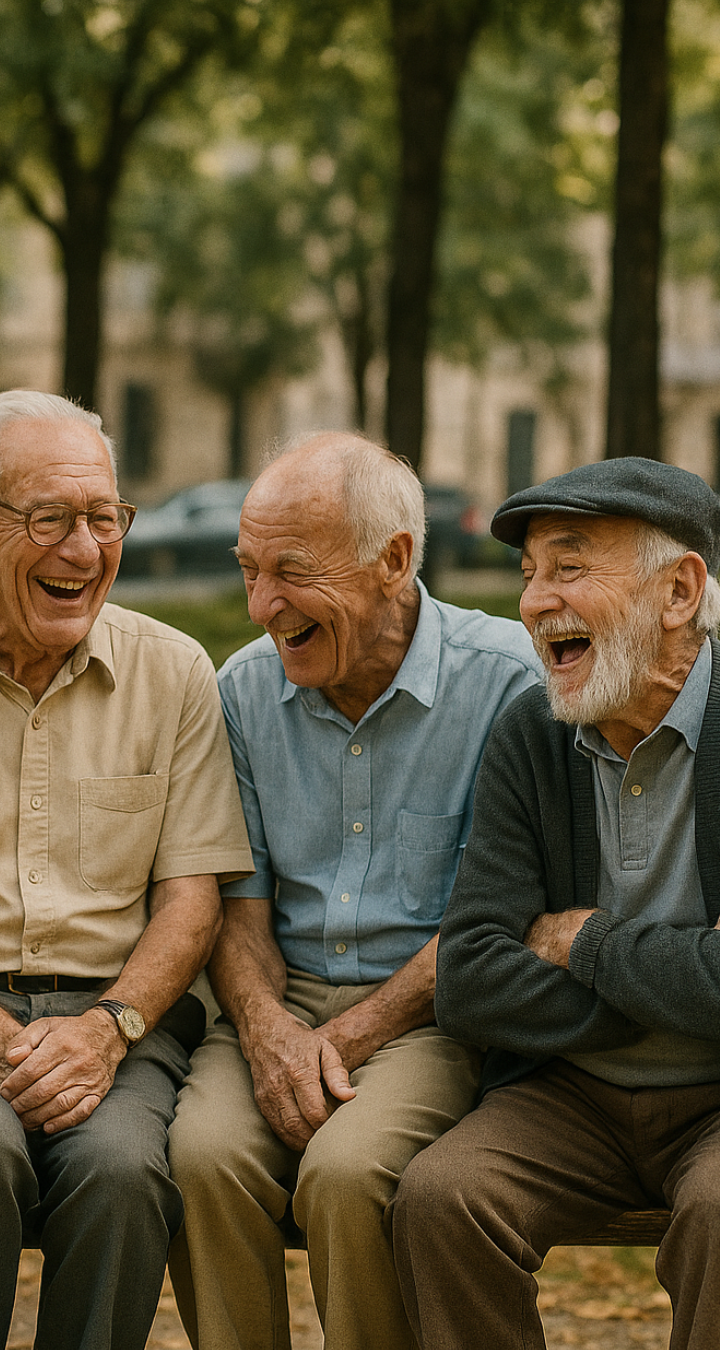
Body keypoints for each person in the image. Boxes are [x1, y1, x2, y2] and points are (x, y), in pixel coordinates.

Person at [0, 389, 253, 1350]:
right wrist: (0, 1042)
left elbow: (191, 900)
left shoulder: (175, 672)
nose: (84, 549)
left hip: (121, 1015)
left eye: (103, 518)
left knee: (123, 1172)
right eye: (49, 519)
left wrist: (108, 1031)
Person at [166, 431, 542, 1350]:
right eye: (249, 570)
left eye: (292, 572)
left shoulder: (507, 684)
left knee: (347, 1172)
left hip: (432, 1013)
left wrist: (347, 1037)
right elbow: (240, 906)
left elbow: (493, 921)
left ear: (395, 562)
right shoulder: (242, 691)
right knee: (200, 1158)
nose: (261, 606)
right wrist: (269, 1033)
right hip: (277, 999)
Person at [392, 457, 720, 1350]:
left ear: (680, 591)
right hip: (574, 1096)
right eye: (530, 573)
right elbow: (471, 980)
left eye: (570, 568)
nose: (536, 603)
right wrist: (682, 988)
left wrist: (587, 944)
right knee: (443, 1197)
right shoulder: (532, 731)